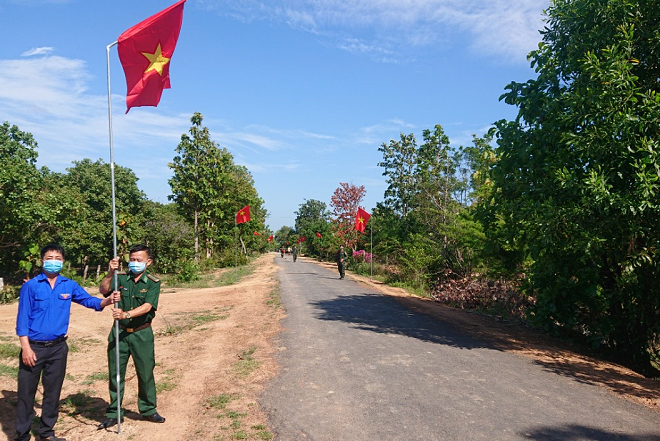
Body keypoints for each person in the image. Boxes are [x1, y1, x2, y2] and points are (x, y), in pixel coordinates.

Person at [15, 243, 118, 441]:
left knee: (53, 393)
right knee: (26, 394)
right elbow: (22, 320)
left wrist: (106, 301)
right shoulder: (31, 286)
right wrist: (25, 348)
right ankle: (22, 435)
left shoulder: (68, 285)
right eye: (49, 258)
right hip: (34, 348)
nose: (53, 262)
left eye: (58, 258)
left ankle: (46, 432)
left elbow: (88, 300)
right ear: (42, 260)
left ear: (63, 262)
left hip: (58, 348)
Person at [97, 244, 165, 430]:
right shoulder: (120, 278)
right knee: (115, 373)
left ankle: (148, 409)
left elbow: (147, 306)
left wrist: (126, 314)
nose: (134, 263)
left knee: (145, 372)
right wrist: (111, 272)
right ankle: (114, 413)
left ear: (148, 262)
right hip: (119, 333)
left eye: (138, 260)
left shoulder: (153, 282)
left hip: (141, 333)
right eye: (131, 259)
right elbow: (104, 290)